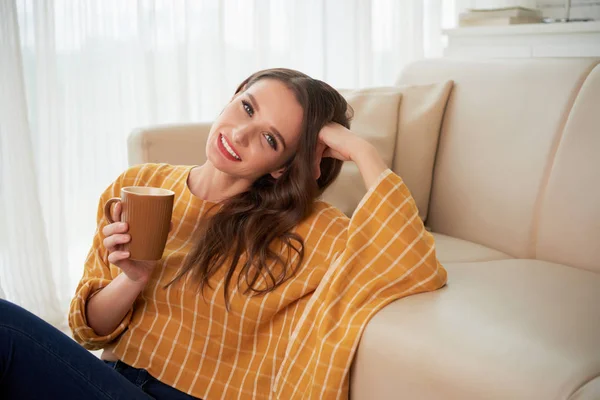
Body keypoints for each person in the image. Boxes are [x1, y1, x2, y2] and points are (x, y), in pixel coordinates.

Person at [0, 68, 447, 399]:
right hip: (109, 380)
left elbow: (412, 262)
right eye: (246, 107)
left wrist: (361, 150)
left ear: (283, 167)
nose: (241, 133)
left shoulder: (314, 231)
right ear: (233, 96)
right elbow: (89, 330)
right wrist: (132, 279)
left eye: (271, 140)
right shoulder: (137, 185)